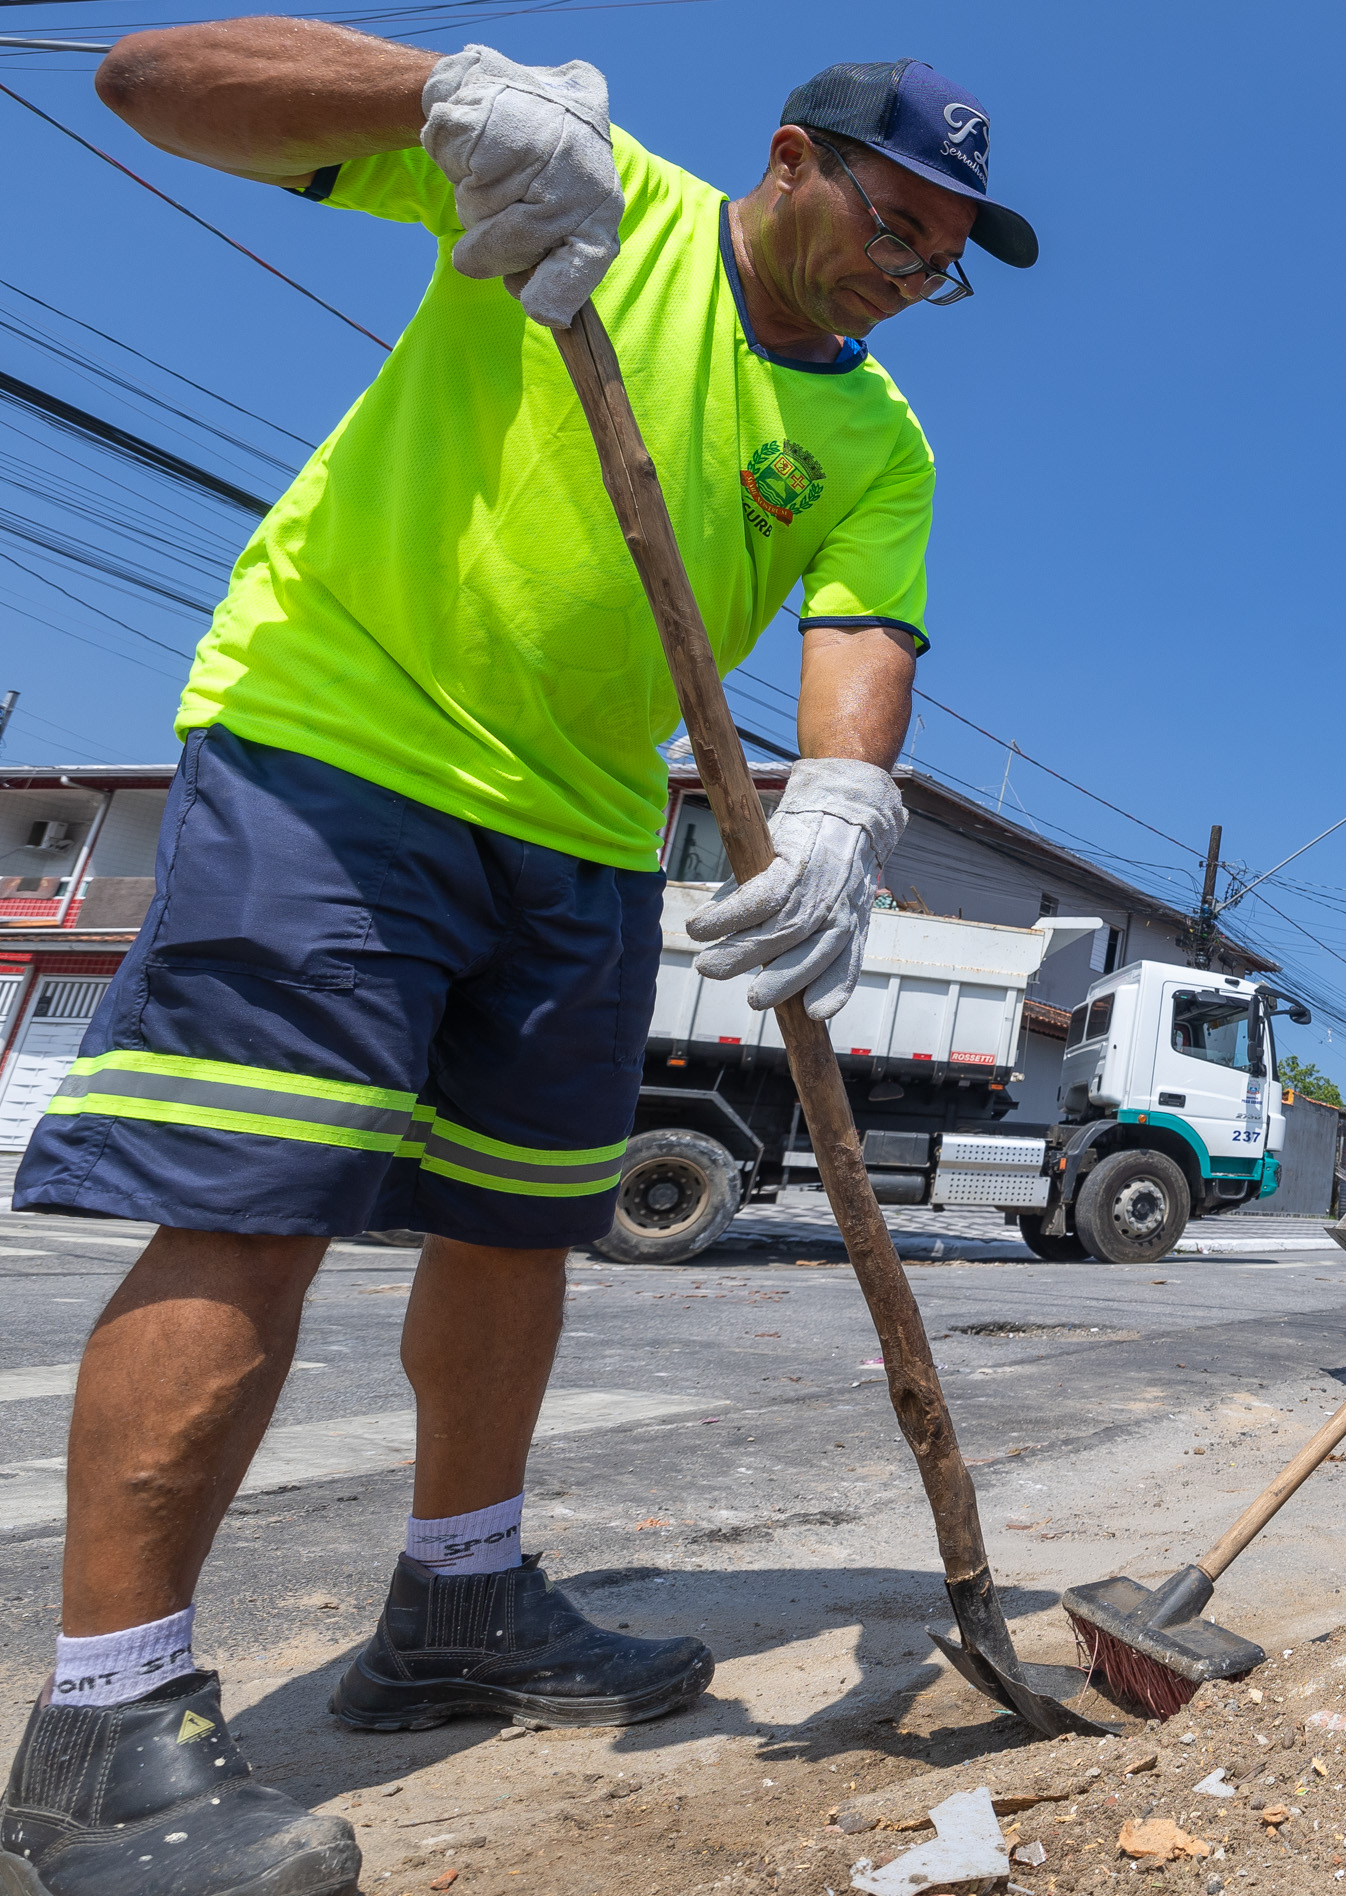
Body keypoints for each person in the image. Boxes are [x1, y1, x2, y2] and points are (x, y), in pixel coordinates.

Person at [3, 20, 1036, 1895]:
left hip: (579, 833)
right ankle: (100, 1724)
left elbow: (864, 632)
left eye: (948, 252)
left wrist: (841, 813)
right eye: (898, 218)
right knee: (252, 1197)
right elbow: (148, 87)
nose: (918, 267)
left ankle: (456, 1606)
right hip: (346, 745)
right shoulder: (579, 191)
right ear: (792, 160)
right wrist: (437, 105)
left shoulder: (878, 435)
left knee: (518, 1221)